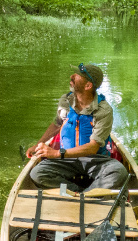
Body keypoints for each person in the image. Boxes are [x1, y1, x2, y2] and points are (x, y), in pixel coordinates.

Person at [26, 63, 128, 191]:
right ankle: (75, 192)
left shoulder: (104, 110)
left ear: (88, 85)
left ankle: (83, 194)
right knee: (37, 174)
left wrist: (57, 153)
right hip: (66, 160)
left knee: (119, 172)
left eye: (78, 75)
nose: (72, 76)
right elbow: (57, 124)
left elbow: (92, 147)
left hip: (95, 160)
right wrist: (39, 143)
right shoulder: (65, 100)